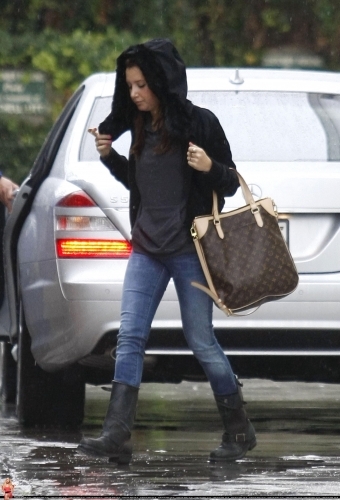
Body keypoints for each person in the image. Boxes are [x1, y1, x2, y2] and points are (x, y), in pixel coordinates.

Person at [77, 38, 256, 463]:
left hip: (188, 252)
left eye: (141, 85)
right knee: (130, 337)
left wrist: (209, 168)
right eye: (130, 85)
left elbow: (230, 184)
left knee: (201, 341)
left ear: (160, 82)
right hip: (146, 251)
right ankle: (116, 434)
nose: (135, 93)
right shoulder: (139, 126)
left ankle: (239, 430)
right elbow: (140, 184)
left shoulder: (200, 124)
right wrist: (108, 157)